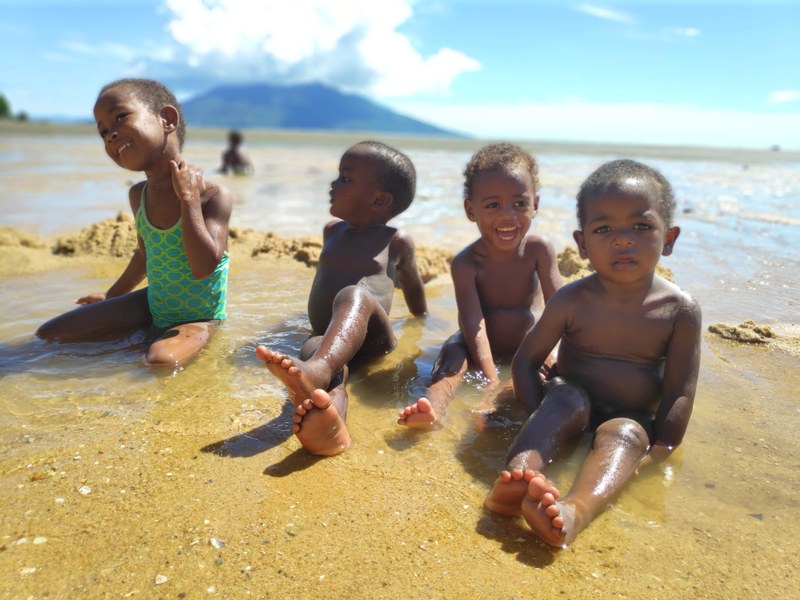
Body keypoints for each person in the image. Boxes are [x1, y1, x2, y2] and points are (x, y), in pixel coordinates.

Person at [483, 159, 702, 548]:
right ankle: (516, 477)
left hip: (630, 414)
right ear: (582, 244)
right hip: (571, 398)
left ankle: (573, 512)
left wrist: (660, 450)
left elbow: (679, 393)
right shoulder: (572, 299)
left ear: (668, 238)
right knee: (565, 397)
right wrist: (533, 412)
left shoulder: (679, 311)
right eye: (603, 229)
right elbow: (527, 360)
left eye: (641, 226)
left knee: (628, 434)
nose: (623, 239)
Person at [36, 78, 232, 370]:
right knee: (50, 335)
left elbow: (203, 268)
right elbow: (144, 255)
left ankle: (150, 343)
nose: (110, 135)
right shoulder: (138, 195)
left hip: (198, 315)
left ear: (167, 119)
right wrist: (110, 297)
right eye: (103, 131)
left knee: (162, 360)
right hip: (154, 302)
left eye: (120, 117)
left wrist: (188, 199)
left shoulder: (211, 196)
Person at [257, 141, 427, 455]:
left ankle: (318, 370)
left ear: (379, 200)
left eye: (345, 178)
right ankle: (333, 419)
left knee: (353, 294)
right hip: (330, 342)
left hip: (373, 339)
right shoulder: (331, 231)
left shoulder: (395, 240)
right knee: (312, 347)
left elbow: (413, 285)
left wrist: (420, 322)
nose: (333, 184)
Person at [397, 143, 562, 430]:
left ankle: (499, 405)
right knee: (452, 355)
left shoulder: (539, 250)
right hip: (475, 344)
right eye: (493, 205)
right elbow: (473, 322)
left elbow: (561, 309)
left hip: (529, 344)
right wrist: (488, 374)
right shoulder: (466, 263)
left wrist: (550, 353)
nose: (508, 215)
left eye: (520, 203)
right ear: (470, 210)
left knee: (543, 363)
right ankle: (432, 408)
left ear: (535, 204)